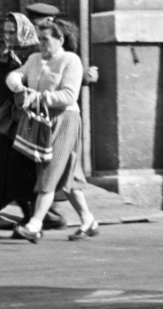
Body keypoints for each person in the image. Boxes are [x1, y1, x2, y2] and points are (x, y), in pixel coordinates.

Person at [6, 18, 98, 242]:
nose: (41, 44)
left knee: (49, 170)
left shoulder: (70, 60)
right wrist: (18, 86)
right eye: (39, 39)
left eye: (46, 39)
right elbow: (16, 74)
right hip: (42, 121)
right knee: (67, 175)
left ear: (60, 40)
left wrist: (37, 98)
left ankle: (35, 225)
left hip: (65, 120)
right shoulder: (34, 59)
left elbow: (69, 95)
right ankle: (88, 220)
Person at [0, 13, 42, 216]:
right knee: (4, 168)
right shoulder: (7, 52)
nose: (7, 36)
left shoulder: (35, 53)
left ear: (23, 30)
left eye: (12, 32)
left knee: (24, 168)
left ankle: (38, 216)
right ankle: (33, 215)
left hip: (25, 117)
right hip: (6, 118)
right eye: (5, 32)